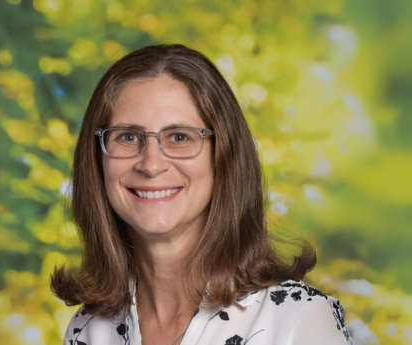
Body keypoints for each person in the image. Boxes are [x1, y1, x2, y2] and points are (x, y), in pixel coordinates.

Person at [51, 44, 353, 345]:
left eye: (180, 137)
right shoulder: (88, 329)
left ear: (223, 156)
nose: (151, 164)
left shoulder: (296, 319)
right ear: (97, 160)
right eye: (128, 137)